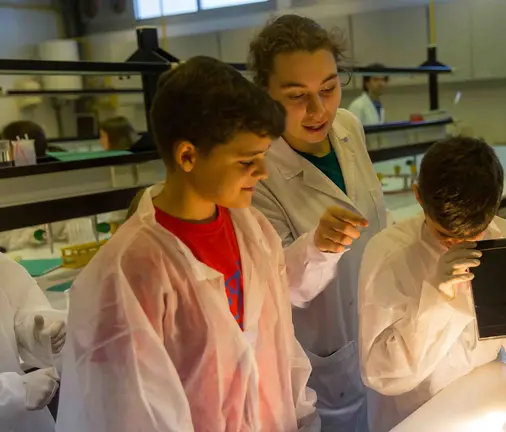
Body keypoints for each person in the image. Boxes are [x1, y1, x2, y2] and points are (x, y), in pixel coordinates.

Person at [55, 56, 319, 431]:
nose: (262, 173)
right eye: (247, 161)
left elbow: (280, 350)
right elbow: (130, 413)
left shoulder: (254, 231)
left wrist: (302, 418)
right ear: (188, 156)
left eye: (263, 157)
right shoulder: (130, 271)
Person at [358, 136, 506, 431]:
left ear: (495, 205)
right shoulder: (388, 255)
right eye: (445, 235)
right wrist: (438, 301)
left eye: (475, 233)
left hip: (482, 404)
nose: (460, 245)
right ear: (418, 196)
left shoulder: (505, 241)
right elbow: (384, 375)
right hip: (413, 418)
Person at [249, 15, 387, 431]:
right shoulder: (256, 168)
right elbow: (281, 287)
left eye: (328, 89)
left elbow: (375, 225)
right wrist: (318, 247)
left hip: (382, 333)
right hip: (326, 353)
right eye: (297, 96)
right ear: (265, 95)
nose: (318, 109)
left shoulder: (348, 126)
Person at [0, 252, 66, 432]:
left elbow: (16, 309)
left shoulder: (2, 267)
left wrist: (34, 332)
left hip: (25, 420)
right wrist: (13, 392)